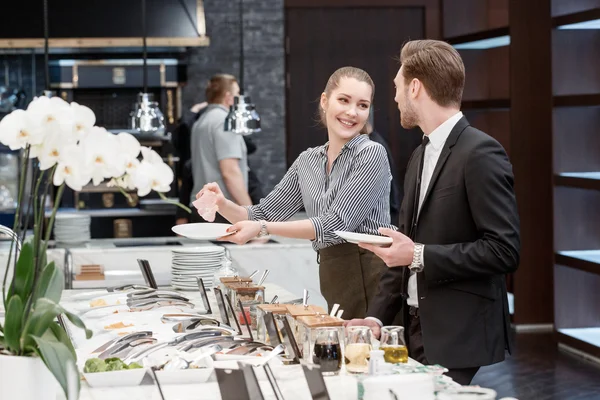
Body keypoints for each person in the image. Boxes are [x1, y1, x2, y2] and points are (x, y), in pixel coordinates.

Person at [346, 40, 520, 385]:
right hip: (413, 328)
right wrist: (376, 319)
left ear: (415, 87)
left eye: (397, 88)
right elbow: (404, 248)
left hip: (457, 332)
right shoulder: (419, 154)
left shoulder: (481, 152)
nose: (394, 98)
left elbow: (504, 250)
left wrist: (419, 254)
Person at [196, 67, 396, 319]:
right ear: (325, 101)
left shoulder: (371, 153)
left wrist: (263, 228)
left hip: (373, 275)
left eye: (362, 105)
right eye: (343, 100)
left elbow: (334, 225)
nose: (352, 112)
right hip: (334, 274)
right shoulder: (307, 161)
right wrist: (222, 203)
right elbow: (261, 213)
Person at [189, 74, 253, 223]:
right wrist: (251, 215)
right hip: (223, 211)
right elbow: (230, 172)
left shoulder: (201, 121)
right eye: (237, 94)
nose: (239, 99)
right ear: (229, 97)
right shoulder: (224, 122)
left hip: (202, 207)